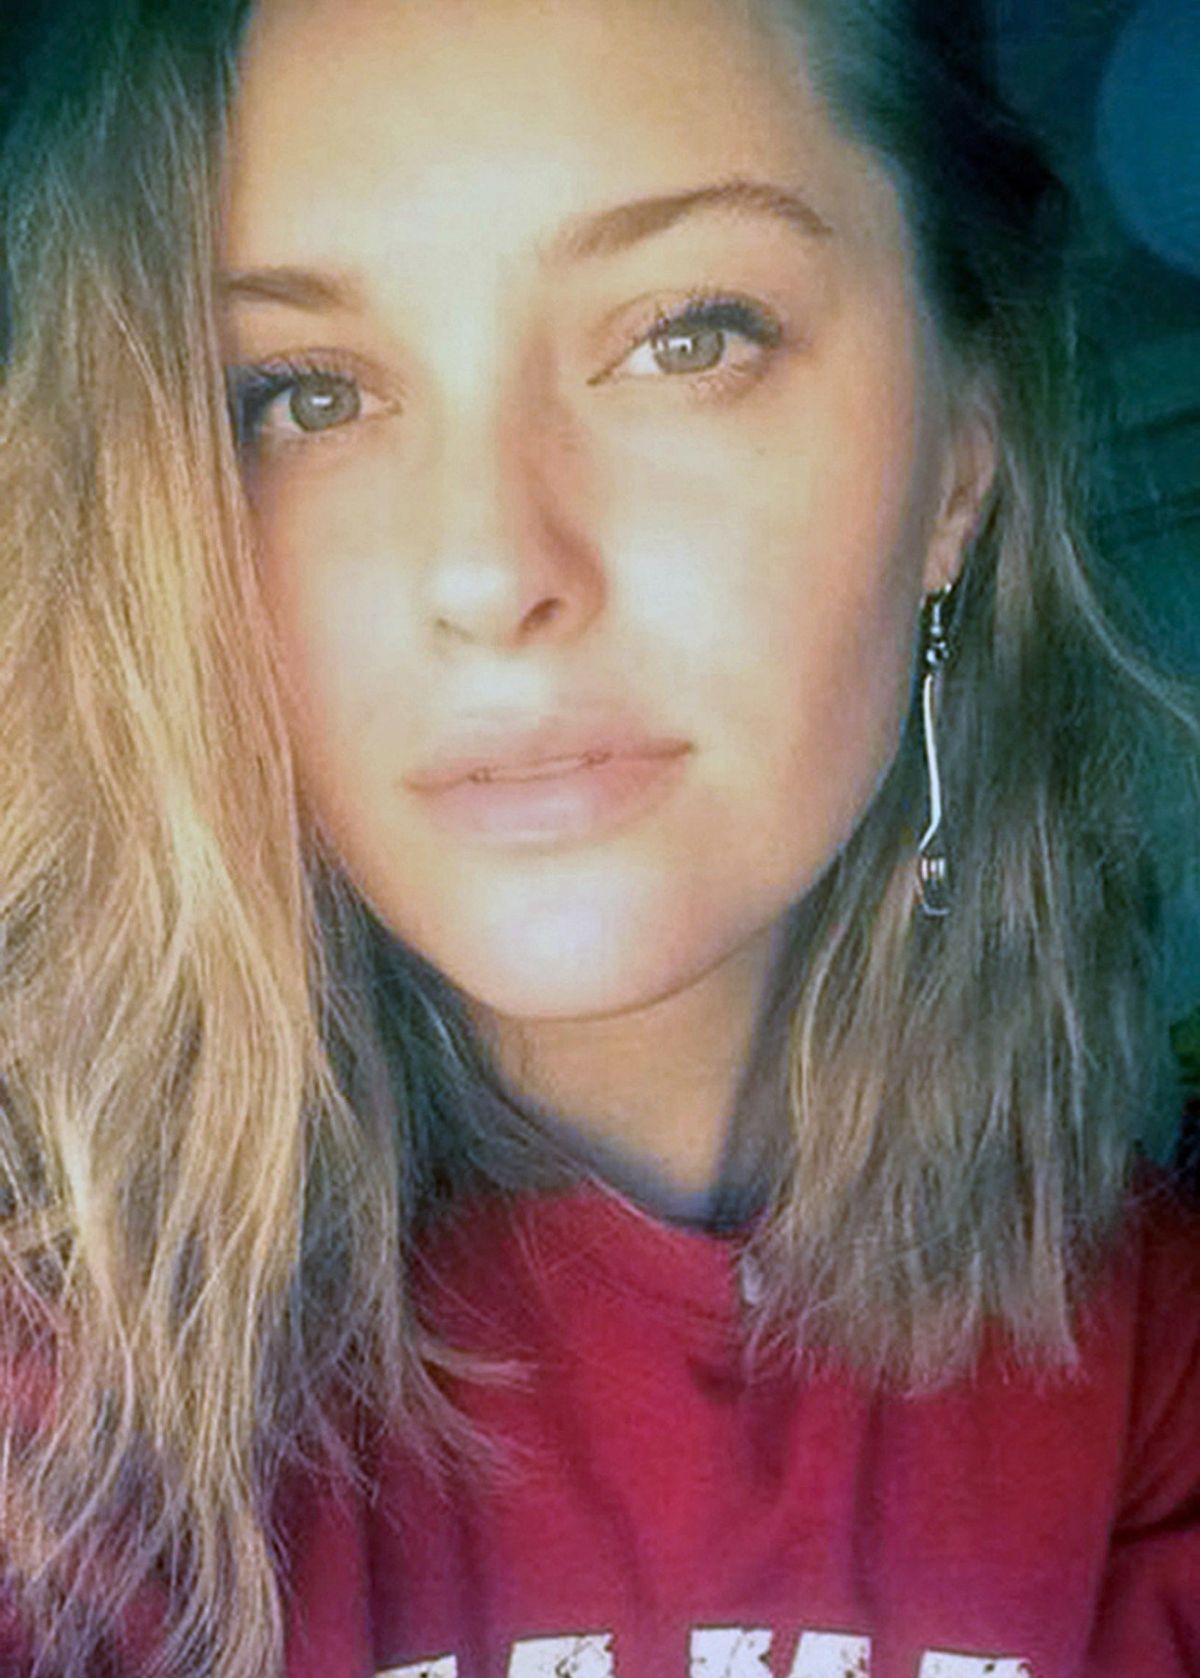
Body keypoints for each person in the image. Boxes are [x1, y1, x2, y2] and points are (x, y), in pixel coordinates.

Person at [0, 0, 1197, 1674]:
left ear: (959, 459)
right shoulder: (59, 1382)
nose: (490, 570)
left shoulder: (1143, 1360)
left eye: (685, 338)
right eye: (307, 394)